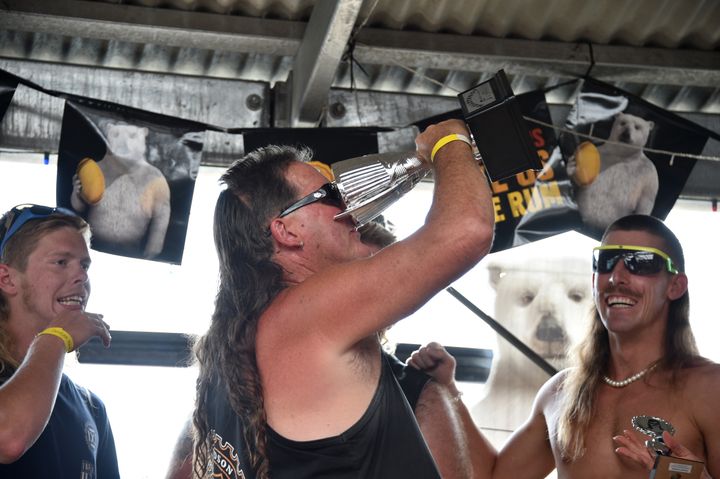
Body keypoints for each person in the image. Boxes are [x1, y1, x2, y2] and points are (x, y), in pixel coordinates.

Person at [191, 118, 495, 478]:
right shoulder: (303, 317)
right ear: (286, 231)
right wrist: (448, 142)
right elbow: (467, 230)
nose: (348, 205)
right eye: (330, 196)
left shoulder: (235, 350)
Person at [431, 214, 718, 478]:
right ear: (594, 280)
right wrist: (448, 390)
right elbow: (493, 477)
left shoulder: (708, 389)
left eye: (640, 263)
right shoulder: (559, 394)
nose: (617, 277)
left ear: (675, 286)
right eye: (606, 262)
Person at [0, 204, 119, 477]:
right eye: (61, 262)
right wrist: (55, 338)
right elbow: (9, 438)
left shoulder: (92, 408)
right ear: (6, 278)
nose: (82, 277)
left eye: (84, 265)